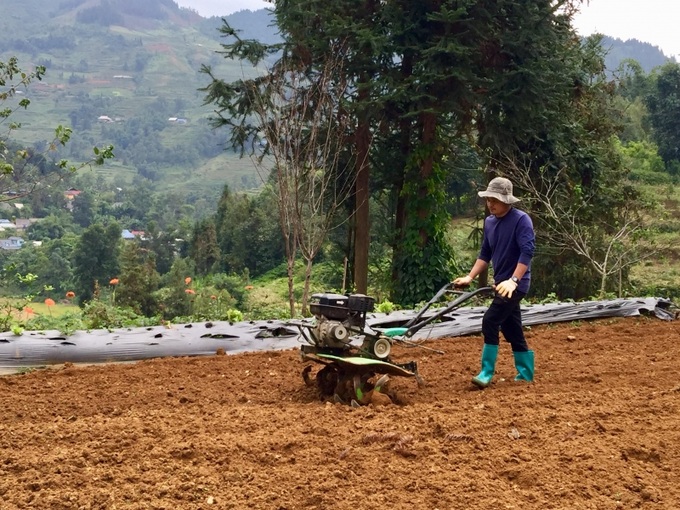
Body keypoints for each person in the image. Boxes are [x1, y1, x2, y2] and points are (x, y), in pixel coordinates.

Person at [453, 177, 535, 389]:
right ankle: (526, 372)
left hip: (515, 285)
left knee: (490, 321)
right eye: (489, 199)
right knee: (511, 327)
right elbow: (485, 254)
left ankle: (486, 372)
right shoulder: (490, 222)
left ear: (507, 200)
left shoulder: (521, 220)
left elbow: (527, 253)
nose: (491, 204)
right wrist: (469, 277)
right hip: (501, 284)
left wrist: (513, 281)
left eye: (495, 200)